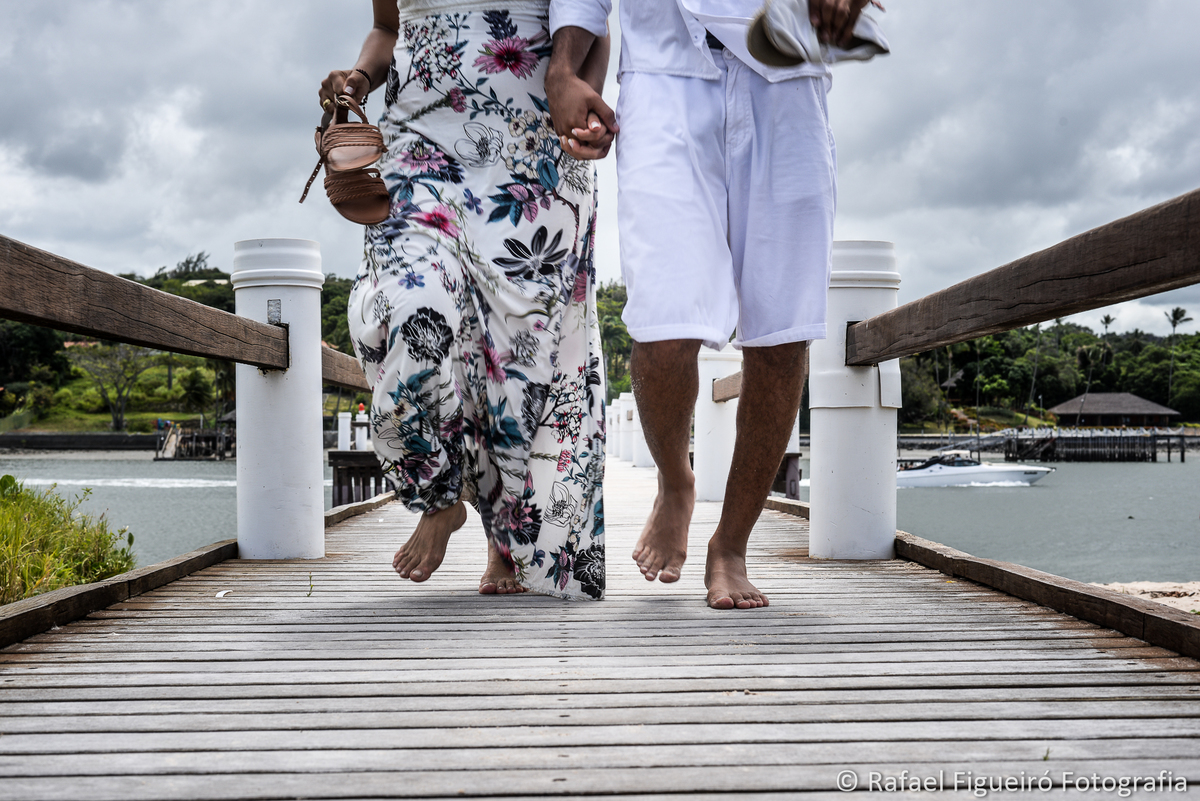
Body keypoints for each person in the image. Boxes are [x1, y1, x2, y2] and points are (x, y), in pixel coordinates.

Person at [546, 0, 881, 609]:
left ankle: (730, 544)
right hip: (664, 78)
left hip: (788, 75)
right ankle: (676, 482)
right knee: (663, 326)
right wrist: (564, 71)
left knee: (780, 334)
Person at [318, 0, 614, 599]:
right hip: (419, 149)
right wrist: (358, 78)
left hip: (532, 150)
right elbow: (387, 28)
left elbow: (596, 14)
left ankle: (503, 540)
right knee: (408, 307)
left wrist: (582, 93)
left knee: (515, 360)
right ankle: (439, 495)